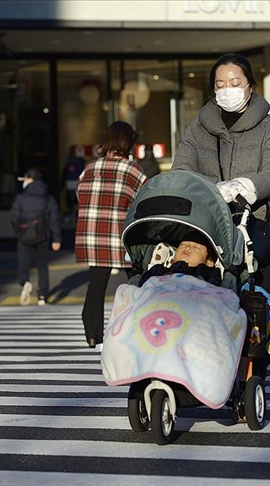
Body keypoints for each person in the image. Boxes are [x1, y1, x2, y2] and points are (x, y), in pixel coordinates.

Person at [172, 53, 270, 293]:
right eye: (220, 85)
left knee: (255, 305)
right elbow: (181, 170)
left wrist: (245, 185)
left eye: (235, 83)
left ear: (250, 87)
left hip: (255, 228)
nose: (228, 90)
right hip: (206, 228)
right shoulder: (197, 128)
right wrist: (215, 188)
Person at [76, 121, 147, 350]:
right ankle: (141, 326)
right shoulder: (132, 169)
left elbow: (80, 195)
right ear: (128, 143)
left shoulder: (90, 167)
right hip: (121, 234)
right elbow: (143, 200)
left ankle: (93, 335)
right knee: (136, 281)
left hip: (93, 234)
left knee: (96, 285)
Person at [10, 168, 62, 306]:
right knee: (42, 266)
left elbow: (14, 218)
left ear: (30, 180)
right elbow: (54, 220)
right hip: (42, 236)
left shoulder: (20, 198)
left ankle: (25, 282)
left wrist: (19, 233)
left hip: (24, 237)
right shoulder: (47, 198)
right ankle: (42, 296)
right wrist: (56, 239)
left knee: (23, 263)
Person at [138, 231, 222, 286]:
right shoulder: (158, 270)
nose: (187, 248)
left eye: (196, 248)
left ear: (209, 263)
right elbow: (144, 287)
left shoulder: (208, 273)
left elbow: (214, 293)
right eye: (183, 245)